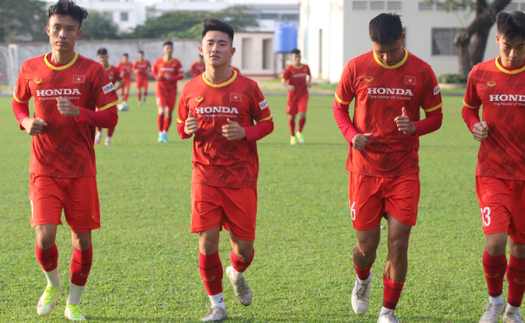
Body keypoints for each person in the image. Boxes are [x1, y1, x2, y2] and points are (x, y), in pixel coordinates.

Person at [11, 0, 119, 320]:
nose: (62, 34)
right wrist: (25, 122)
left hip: (81, 171)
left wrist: (80, 113)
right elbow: (19, 103)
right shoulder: (30, 67)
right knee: (44, 237)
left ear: (78, 33)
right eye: (56, 28)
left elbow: (111, 117)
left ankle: (73, 301)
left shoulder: (93, 71)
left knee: (82, 241)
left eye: (69, 29)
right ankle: (52, 283)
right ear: (48, 30)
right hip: (43, 168)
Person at [333, 13, 443, 323]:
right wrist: (352, 135)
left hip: (403, 171)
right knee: (366, 247)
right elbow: (339, 108)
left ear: (402, 40)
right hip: (364, 170)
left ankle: (388, 311)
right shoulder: (356, 67)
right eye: (379, 50)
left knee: (399, 242)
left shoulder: (422, 71)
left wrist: (414, 127)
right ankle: (363, 278)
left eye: (391, 50)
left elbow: (436, 118)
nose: (385, 56)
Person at [177, 18, 274, 322]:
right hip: (204, 176)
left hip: (241, 178)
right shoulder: (190, 88)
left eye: (221, 44)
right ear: (200, 49)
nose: (215, 48)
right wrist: (185, 128)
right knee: (206, 242)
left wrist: (245, 133)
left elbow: (268, 124)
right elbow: (181, 126)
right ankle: (217, 305)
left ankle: (236, 272)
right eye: (210, 43)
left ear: (232, 51)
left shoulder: (249, 88)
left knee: (243, 248)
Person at [462, 11, 525, 323]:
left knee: (521, 248)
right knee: (496, 241)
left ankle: (513, 309)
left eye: (521, 48)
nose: (513, 55)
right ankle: (495, 302)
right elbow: (469, 108)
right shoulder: (480, 72)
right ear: (497, 40)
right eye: (507, 47)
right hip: (492, 171)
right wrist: (475, 125)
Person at [152, 41, 183, 143]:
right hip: (160, 90)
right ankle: (160, 133)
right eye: (167, 48)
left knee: (169, 113)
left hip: (172, 91)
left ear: (173, 50)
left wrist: (172, 77)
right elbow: (153, 70)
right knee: (161, 110)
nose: (169, 50)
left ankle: (164, 133)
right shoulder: (158, 61)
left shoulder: (177, 62)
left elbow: (181, 75)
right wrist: (157, 77)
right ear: (163, 50)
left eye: (170, 48)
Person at [95, 48, 124, 146]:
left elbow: (122, 81)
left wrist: (115, 89)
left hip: (111, 100)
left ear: (107, 57)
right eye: (100, 58)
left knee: (111, 121)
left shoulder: (114, 70)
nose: (102, 59)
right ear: (98, 58)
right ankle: (99, 133)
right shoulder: (96, 70)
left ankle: (108, 139)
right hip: (99, 100)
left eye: (104, 57)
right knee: (97, 118)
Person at [282, 48, 311, 145]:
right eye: (295, 57)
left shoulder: (306, 67)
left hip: (303, 95)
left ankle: (300, 132)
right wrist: (288, 86)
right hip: (292, 97)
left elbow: (309, 76)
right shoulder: (289, 69)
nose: (297, 59)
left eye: (299, 57)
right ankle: (293, 136)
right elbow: (283, 81)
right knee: (293, 116)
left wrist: (309, 82)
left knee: (302, 114)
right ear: (292, 57)